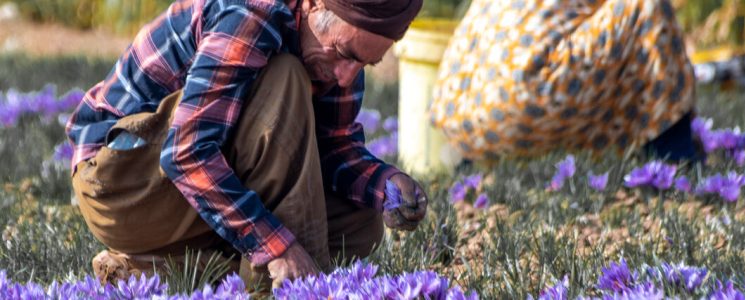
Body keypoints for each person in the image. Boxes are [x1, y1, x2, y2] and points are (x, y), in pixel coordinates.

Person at [65, 0, 427, 288]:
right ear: (315, 4)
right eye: (344, 53)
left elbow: (334, 148)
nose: (347, 75)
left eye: (366, 63)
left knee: (360, 222)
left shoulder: (339, 60)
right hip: (121, 184)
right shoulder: (252, 13)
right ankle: (286, 285)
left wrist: (384, 183)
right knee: (284, 78)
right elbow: (187, 152)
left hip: (195, 188)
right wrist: (277, 246)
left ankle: (154, 269)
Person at [431, 0, 698, 162]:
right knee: (648, 6)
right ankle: (674, 155)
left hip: (457, 115)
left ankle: (473, 163)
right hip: (523, 106)